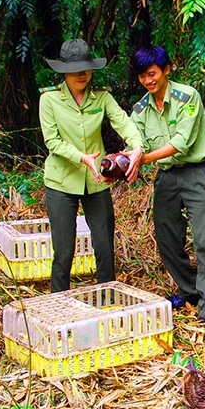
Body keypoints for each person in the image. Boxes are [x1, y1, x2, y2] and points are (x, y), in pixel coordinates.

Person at [40, 39, 144, 290]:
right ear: (63, 71)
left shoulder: (102, 96)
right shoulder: (49, 100)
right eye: (75, 69)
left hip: (96, 183)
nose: (81, 74)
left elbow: (123, 122)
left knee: (105, 248)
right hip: (61, 181)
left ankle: (108, 301)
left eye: (85, 68)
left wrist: (137, 146)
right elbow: (52, 141)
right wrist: (82, 157)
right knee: (64, 252)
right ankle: (59, 306)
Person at [130, 46, 205, 326]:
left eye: (152, 74)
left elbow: (181, 143)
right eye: (143, 76)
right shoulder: (140, 110)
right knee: (167, 237)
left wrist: (142, 158)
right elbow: (135, 142)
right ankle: (189, 289)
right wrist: (125, 160)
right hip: (167, 179)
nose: (148, 81)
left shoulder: (187, 97)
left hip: (196, 173)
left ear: (166, 70)